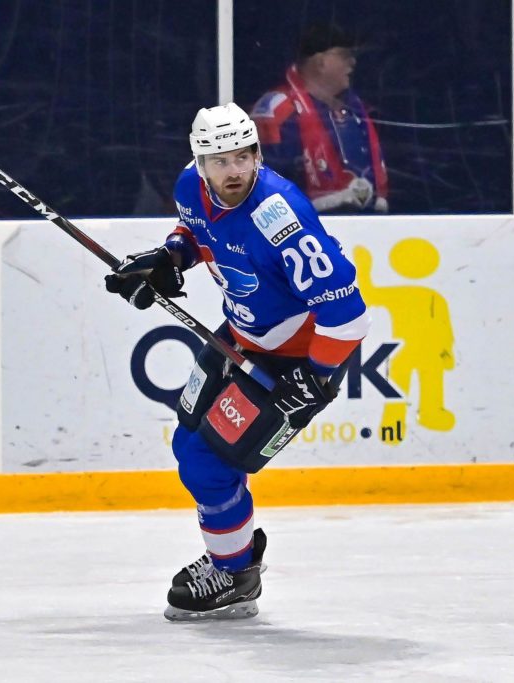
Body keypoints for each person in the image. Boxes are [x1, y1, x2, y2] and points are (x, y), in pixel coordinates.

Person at [104, 103, 370, 620]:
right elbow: (194, 233)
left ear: (257, 155)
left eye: (243, 157)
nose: (233, 171)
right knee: (189, 443)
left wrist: (313, 381)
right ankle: (238, 554)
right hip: (242, 336)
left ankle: (234, 574)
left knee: (209, 464)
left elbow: (349, 319)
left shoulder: (283, 219)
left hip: (292, 365)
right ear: (200, 163)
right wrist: (169, 259)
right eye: (219, 160)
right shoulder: (189, 186)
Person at [250, 23, 388, 214]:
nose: (352, 63)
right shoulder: (278, 111)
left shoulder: (360, 113)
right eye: (345, 55)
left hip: (371, 232)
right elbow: (264, 186)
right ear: (320, 62)